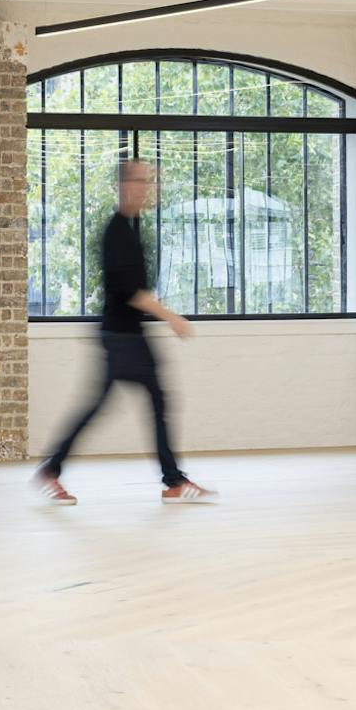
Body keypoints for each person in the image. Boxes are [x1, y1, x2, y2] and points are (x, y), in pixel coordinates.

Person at [35, 156, 216, 506]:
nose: (148, 189)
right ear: (123, 186)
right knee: (134, 404)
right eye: (141, 181)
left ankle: (171, 480)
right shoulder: (118, 232)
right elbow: (134, 293)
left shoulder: (131, 229)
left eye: (150, 182)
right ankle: (171, 480)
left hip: (128, 334)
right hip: (122, 338)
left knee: (144, 402)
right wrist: (172, 318)